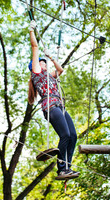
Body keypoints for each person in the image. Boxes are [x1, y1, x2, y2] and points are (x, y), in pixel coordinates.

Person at [28, 20, 79, 180]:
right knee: (65, 135)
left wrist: (50, 56)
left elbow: (60, 69)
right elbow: (35, 47)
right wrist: (31, 31)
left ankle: (67, 167)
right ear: (36, 66)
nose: (44, 63)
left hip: (60, 106)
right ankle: (62, 169)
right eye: (42, 62)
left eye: (44, 62)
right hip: (50, 106)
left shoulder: (50, 76)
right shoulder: (37, 74)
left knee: (73, 135)